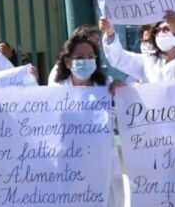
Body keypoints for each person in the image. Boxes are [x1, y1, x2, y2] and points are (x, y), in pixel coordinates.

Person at [50, 35, 127, 206]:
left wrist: (122, 96)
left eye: (90, 56)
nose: (86, 60)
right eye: (79, 57)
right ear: (68, 62)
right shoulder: (56, 91)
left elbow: (122, 119)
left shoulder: (106, 87)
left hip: (104, 167)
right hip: (70, 170)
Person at [99, 10, 175, 83]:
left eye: (166, 29)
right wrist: (110, 33)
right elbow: (118, 58)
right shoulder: (147, 62)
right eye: (157, 30)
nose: (160, 33)